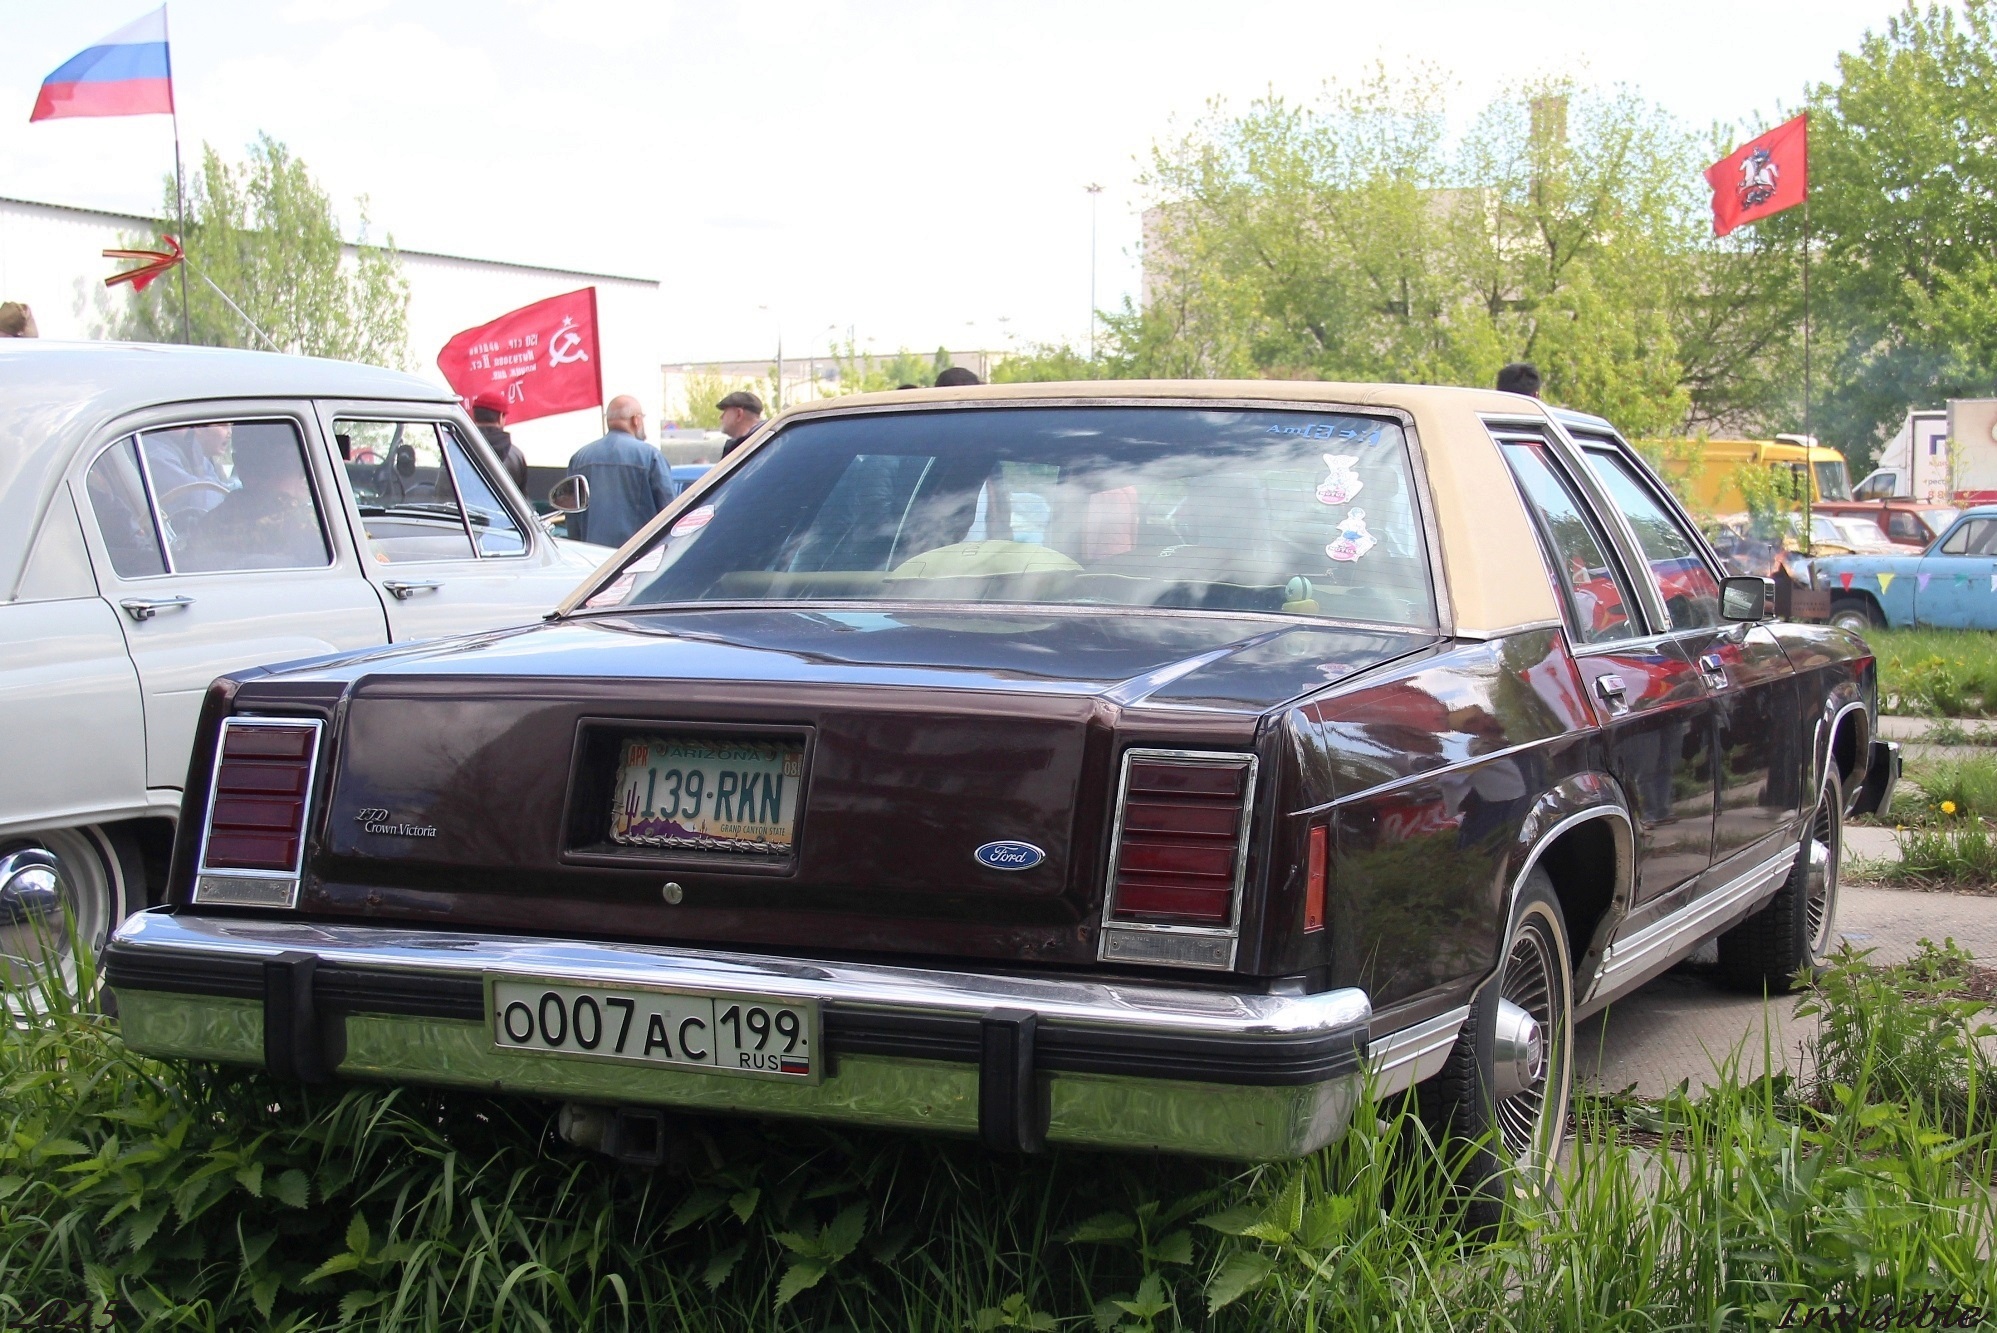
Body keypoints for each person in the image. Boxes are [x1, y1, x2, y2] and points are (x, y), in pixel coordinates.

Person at [566, 394, 676, 547]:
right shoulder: (650, 456)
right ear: (636, 420)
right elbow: (670, 512)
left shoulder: (579, 459)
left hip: (593, 557)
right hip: (637, 558)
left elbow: (572, 517)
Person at [471, 394, 529, 493]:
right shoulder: (516, 456)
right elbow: (522, 498)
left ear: (474, 415)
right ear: (501, 416)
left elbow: (443, 494)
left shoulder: (455, 448)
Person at [717, 390, 765, 457]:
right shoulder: (767, 443)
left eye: (725, 411)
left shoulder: (749, 449)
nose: (721, 417)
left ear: (739, 414)